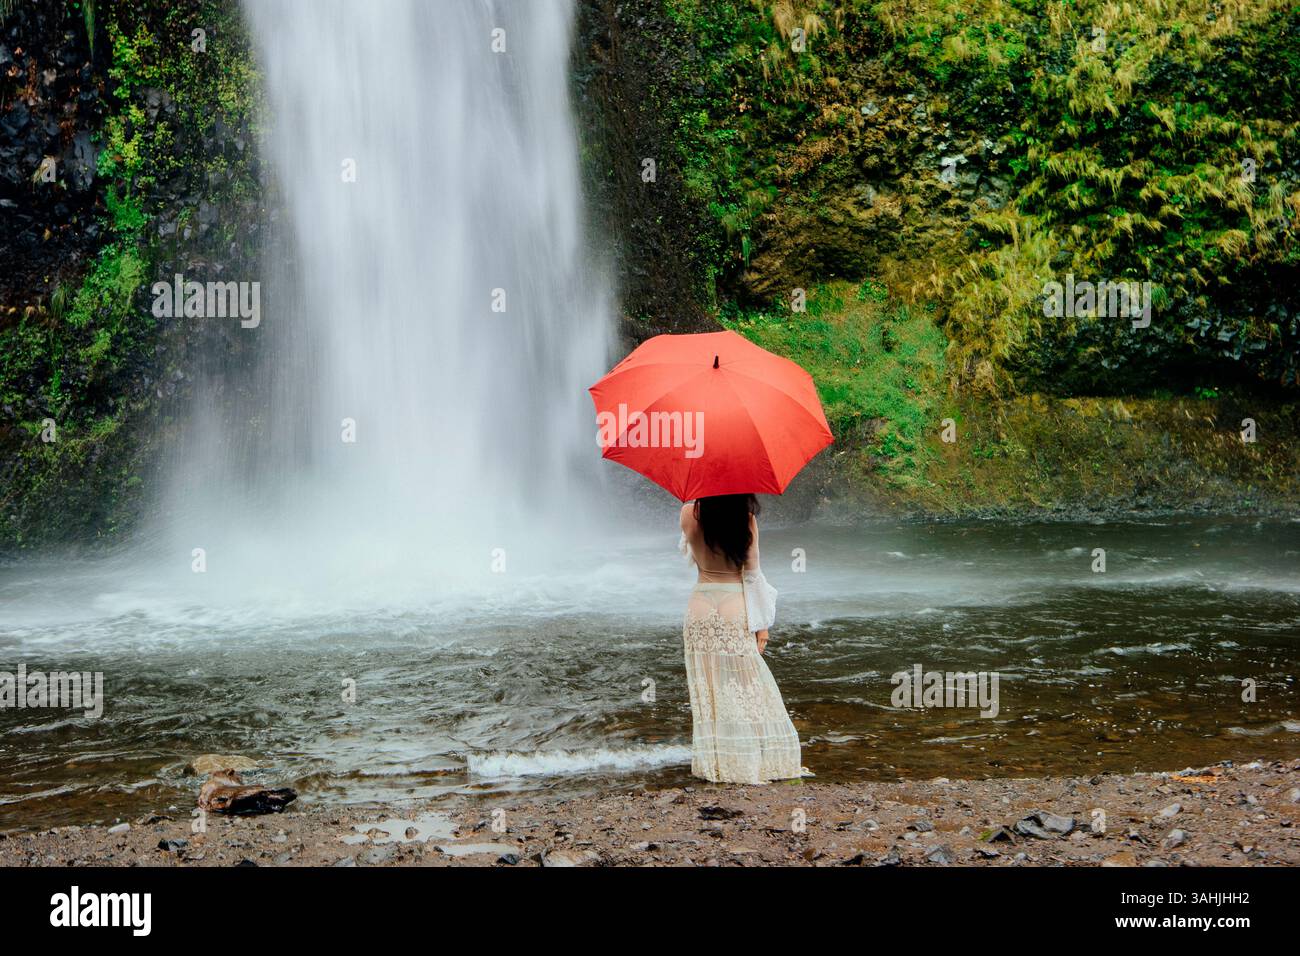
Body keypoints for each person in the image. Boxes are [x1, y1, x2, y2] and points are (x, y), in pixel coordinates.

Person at [678, 494, 802, 784]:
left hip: (699, 608)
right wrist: (763, 626)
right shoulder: (745, 518)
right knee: (747, 685)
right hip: (735, 604)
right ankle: (751, 760)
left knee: (709, 686)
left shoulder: (687, 513)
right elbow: (752, 573)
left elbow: (691, 553)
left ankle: (718, 763)